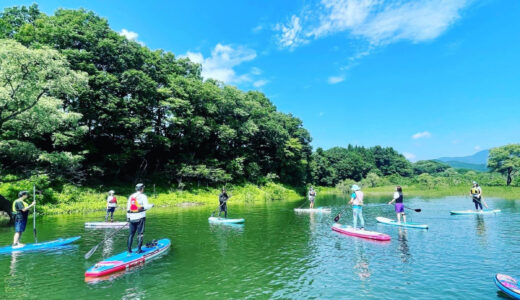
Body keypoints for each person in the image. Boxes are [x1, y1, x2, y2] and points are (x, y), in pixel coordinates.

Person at [127, 183, 153, 254]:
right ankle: (139, 250)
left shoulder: (131, 196)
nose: (143, 189)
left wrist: (128, 218)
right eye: (143, 188)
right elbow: (146, 206)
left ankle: (129, 250)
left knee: (131, 234)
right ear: (141, 189)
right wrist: (152, 205)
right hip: (140, 218)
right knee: (140, 234)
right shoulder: (143, 196)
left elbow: (128, 208)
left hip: (131, 218)